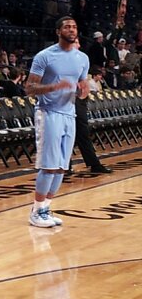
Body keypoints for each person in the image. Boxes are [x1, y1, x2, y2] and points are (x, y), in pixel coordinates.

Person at [25, 16, 90, 228]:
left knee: (62, 167)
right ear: (58, 31)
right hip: (48, 112)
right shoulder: (44, 56)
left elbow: (82, 88)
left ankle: (45, 208)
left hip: (69, 114)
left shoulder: (82, 58)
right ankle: (36, 211)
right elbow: (29, 88)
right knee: (49, 165)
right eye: (67, 27)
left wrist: (83, 92)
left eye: (74, 26)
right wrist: (52, 87)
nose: (72, 30)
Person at [67, 40, 111, 176]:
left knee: (83, 133)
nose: (79, 45)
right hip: (65, 101)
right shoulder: (59, 60)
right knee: (66, 135)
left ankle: (94, 164)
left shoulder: (82, 60)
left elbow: (84, 81)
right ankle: (65, 166)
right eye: (76, 43)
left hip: (78, 101)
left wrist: (82, 96)